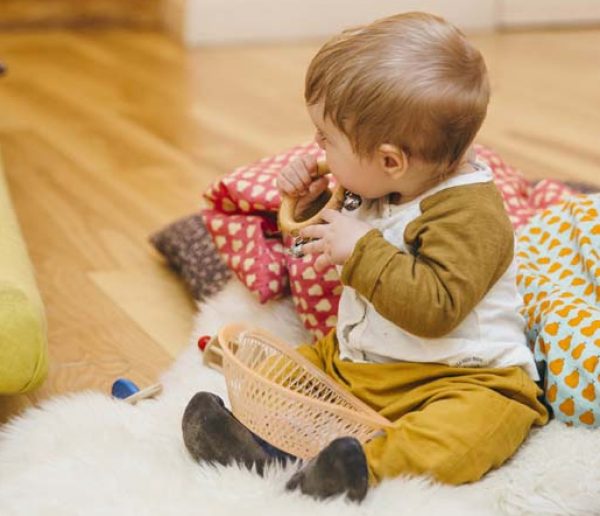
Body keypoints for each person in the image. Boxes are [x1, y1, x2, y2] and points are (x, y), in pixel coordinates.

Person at [182, 11, 548, 503]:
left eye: (326, 139)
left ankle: (357, 470)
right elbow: (319, 239)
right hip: (359, 364)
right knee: (286, 370)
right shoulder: (380, 183)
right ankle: (258, 442)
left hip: (459, 376)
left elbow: (436, 308)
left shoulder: (472, 215)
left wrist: (362, 250)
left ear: (391, 160)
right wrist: (311, 202)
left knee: (465, 435)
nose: (316, 146)